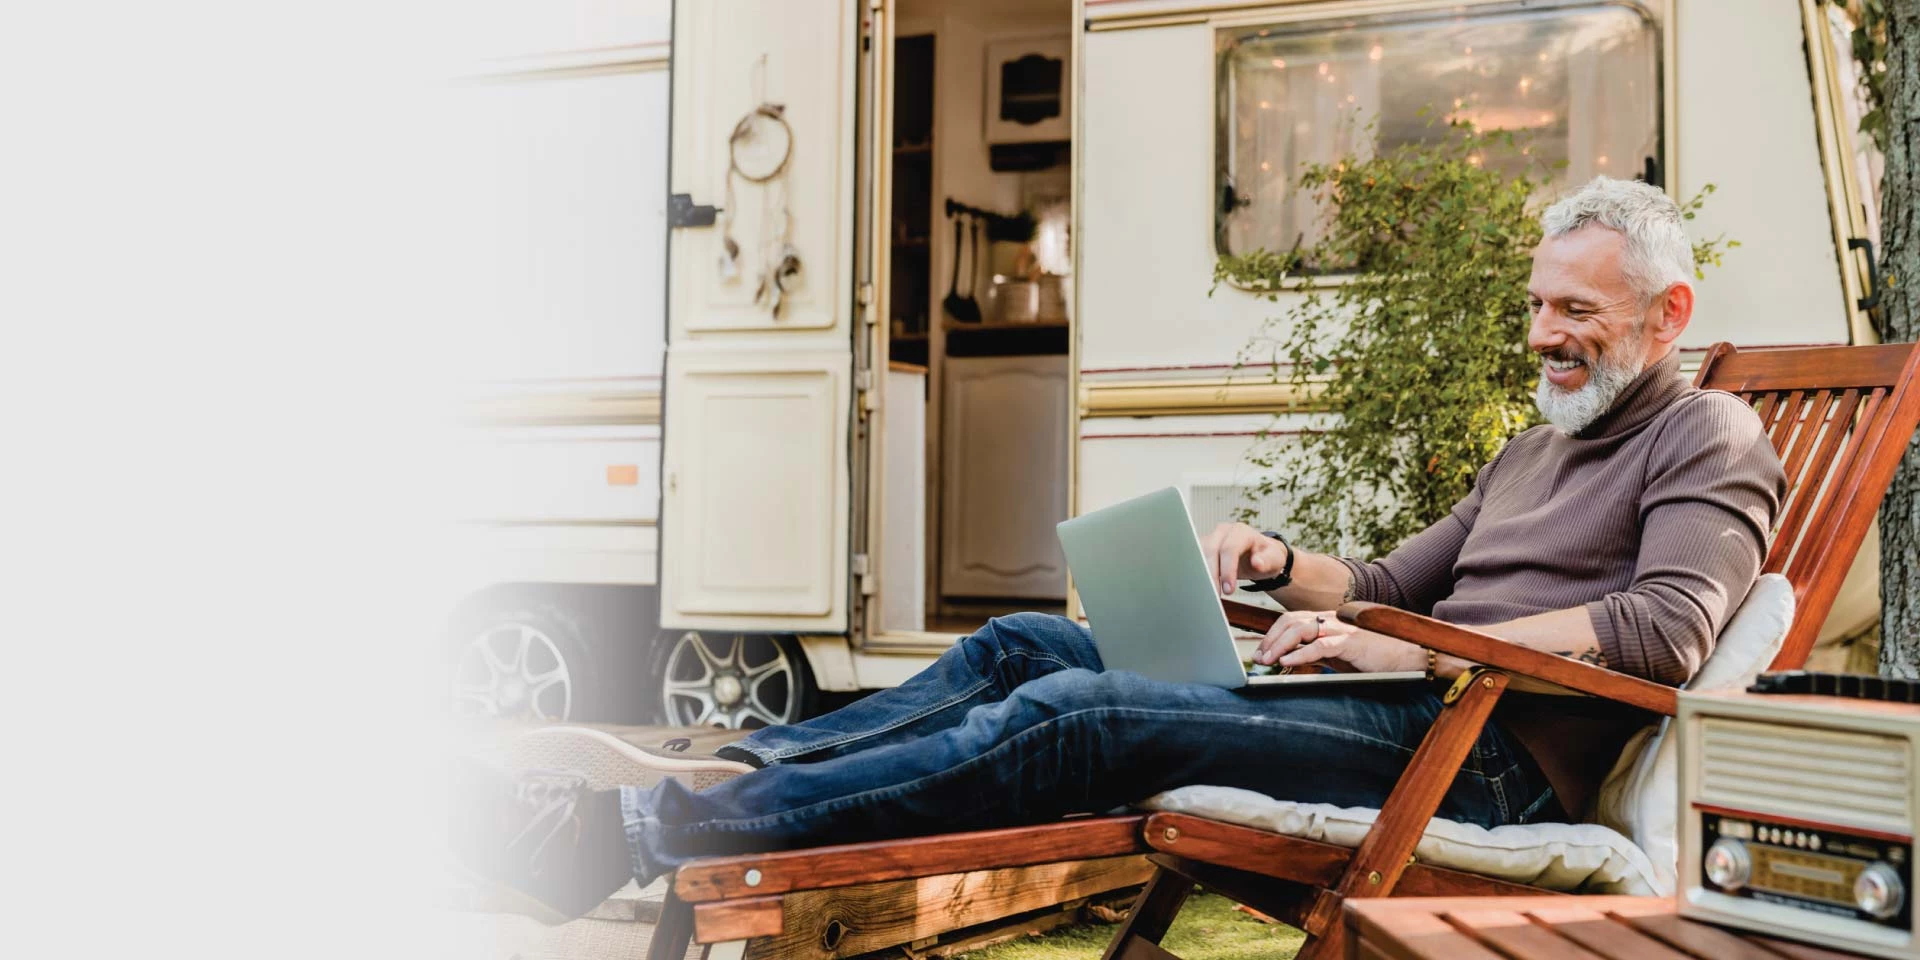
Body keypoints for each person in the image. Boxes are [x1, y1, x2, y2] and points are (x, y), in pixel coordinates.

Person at [449, 176, 1787, 922]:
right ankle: (763, 760)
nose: (1546, 333)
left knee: (1078, 718)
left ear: (1665, 313)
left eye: (1580, 311)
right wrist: (1276, 568)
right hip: (1396, 701)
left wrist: (1412, 645)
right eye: (1539, 304)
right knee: (1027, 642)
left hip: (1481, 765)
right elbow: (1384, 588)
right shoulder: (1540, 442)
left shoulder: (1709, 435)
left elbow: (1665, 632)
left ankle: (636, 829)